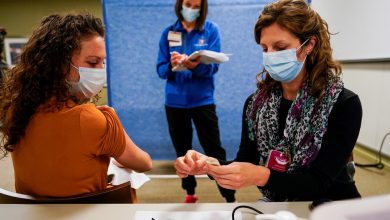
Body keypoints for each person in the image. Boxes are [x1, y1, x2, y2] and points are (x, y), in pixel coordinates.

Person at [174, 0, 362, 203]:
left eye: (280, 47)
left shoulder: (343, 104)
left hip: (333, 205)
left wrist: (260, 175)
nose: (270, 56)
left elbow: (317, 183)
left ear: (309, 45)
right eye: (265, 48)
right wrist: (208, 164)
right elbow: (244, 162)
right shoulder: (256, 105)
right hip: (280, 206)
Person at [0, 13, 152, 197]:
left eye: (103, 63)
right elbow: (144, 163)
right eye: (92, 62)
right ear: (60, 64)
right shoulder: (90, 118)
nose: (100, 71)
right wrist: (112, 119)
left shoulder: (16, 108)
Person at [156, 0, 235, 203]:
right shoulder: (168, 32)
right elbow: (160, 70)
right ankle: (190, 193)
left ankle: (229, 197)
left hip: (203, 101)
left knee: (214, 150)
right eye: (188, 4)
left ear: (202, 7)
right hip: (175, 103)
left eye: (196, 5)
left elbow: (213, 67)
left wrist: (193, 65)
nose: (191, 9)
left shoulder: (210, 30)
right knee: (183, 152)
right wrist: (172, 65)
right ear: (180, 4)